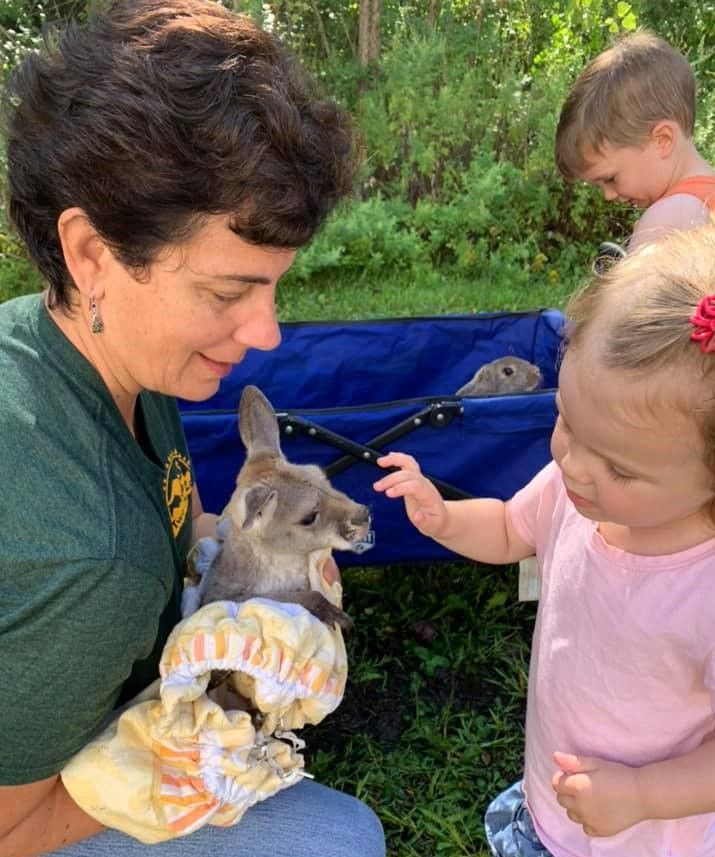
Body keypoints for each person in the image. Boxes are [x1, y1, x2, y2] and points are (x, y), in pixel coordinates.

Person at [0, 1, 385, 856]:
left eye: (273, 286)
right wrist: (194, 754)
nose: (266, 333)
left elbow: (179, 520)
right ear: (92, 253)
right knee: (338, 840)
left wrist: (251, 555)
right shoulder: (92, 556)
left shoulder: (87, 346)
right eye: (226, 291)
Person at [374, 227, 715, 857]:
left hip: (646, 830)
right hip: (559, 777)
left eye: (621, 468)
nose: (576, 465)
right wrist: (445, 518)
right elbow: (510, 526)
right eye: (565, 422)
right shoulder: (573, 488)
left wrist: (643, 794)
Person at [555, 30, 715, 252]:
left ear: (662, 140)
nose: (608, 196)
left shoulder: (670, 219)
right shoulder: (707, 201)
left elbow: (639, 289)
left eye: (610, 179)